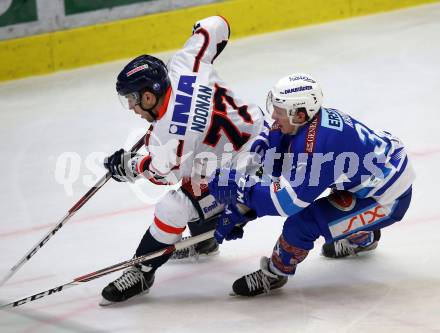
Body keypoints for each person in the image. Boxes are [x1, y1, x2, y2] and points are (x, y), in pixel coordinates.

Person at [100, 16, 266, 304]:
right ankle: (205, 242)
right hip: (265, 135)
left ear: (150, 97)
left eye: (133, 99)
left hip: (244, 169)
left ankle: (142, 271)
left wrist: (129, 166)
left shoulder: (170, 137)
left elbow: (162, 174)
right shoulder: (185, 63)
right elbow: (218, 25)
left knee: (173, 206)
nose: (131, 107)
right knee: (198, 180)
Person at [208, 73, 415, 297]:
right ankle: (363, 237)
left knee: (303, 224)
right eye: (274, 107)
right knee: (335, 204)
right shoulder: (305, 126)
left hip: (387, 199)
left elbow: (288, 201)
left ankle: (275, 273)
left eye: (280, 111)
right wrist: (242, 208)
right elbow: (274, 171)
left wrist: (242, 191)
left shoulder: (318, 146)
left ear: (300, 113)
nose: (274, 117)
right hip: (369, 178)